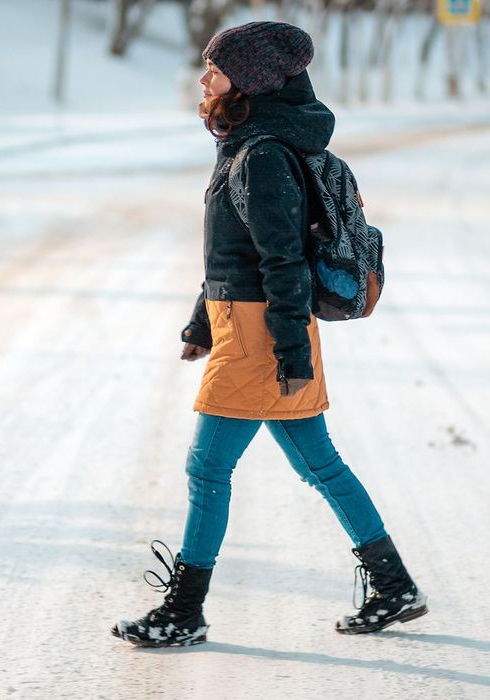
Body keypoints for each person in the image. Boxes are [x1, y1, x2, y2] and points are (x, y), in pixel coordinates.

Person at [110, 21, 427, 648]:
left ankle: (185, 609)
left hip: (262, 335)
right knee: (321, 465)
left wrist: (289, 353)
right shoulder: (250, 145)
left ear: (250, 77)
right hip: (250, 327)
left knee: (207, 470)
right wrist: (204, 322)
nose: (204, 78)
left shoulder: (262, 156)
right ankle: (394, 586)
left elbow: (281, 262)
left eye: (215, 67)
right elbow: (235, 255)